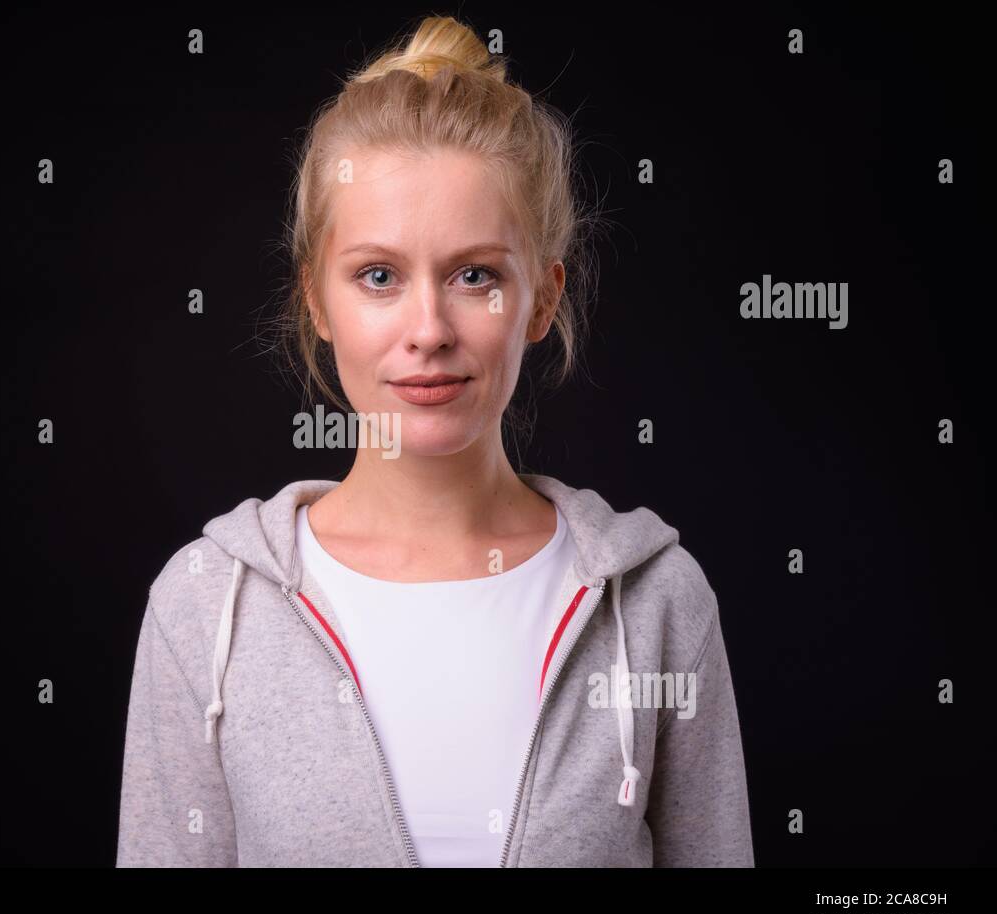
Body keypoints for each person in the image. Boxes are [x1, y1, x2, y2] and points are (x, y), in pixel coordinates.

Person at [116, 14, 753, 867]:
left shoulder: (659, 604)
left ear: (543, 299)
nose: (428, 329)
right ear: (317, 299)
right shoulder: (205, 608)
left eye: (475, 276)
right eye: (378, 276)